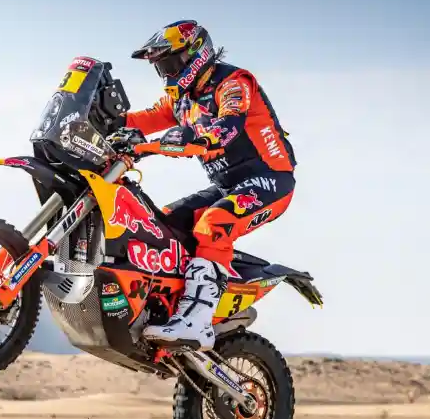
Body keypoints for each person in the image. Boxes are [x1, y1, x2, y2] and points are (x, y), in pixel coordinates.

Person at [106, 20, 298, 351]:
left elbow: (226, 128)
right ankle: (166, 307)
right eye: (161, 67)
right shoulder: (181, 99)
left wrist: (181, 138)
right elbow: (140, 120)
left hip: (269, 180)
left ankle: (197, 320)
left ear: (196, 54)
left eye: (171, 62)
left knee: (214, 224)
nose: (167, 72)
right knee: (158, 224)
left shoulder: (234, 83)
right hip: (227, 186)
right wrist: (103, 120)